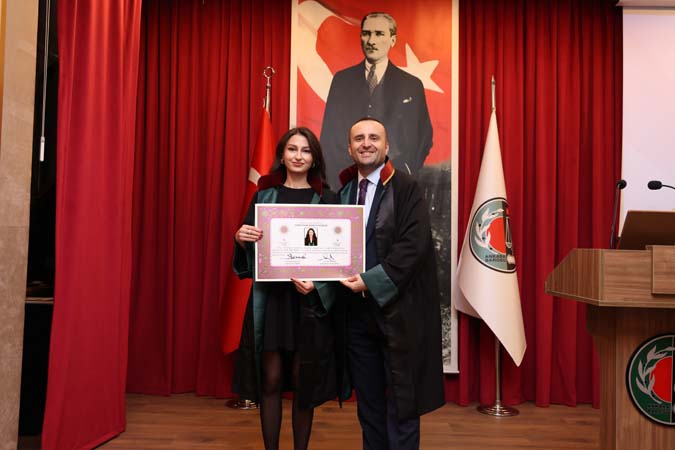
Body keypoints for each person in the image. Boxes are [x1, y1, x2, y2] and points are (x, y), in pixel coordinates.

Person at [338, 118, 444, 450]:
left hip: (398, 313)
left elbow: (413, 246)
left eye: (374, 137)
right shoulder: (342, 192)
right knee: (368, 404)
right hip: (357, 316)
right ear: (349, 148)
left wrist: (369, 282)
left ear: (386, 146)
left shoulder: (407, 188)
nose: (366, 143)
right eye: (358, 138)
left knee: (402, 405)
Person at [231, 127, 339, 450]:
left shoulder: (327, 199)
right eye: (292, 149)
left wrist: (318, 284)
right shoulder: (264, 196)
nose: (298, 156)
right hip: (273, 301)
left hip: (308, 302)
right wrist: (241, 239)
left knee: (304, 384)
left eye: (306, 150)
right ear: (282, 155)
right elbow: (251, 253)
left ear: (314, 158)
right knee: (271, 381)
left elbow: (339, 258)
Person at [320, 11, 433, 189]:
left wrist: (406, 171)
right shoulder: (342, 80)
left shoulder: (411, 85)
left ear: (392, 40)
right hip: (347, 183)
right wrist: (336, 179)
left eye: (379, 34)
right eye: (366, 33)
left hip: (395, 183)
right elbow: (328, 135)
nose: (371, 41)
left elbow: (424, 137)